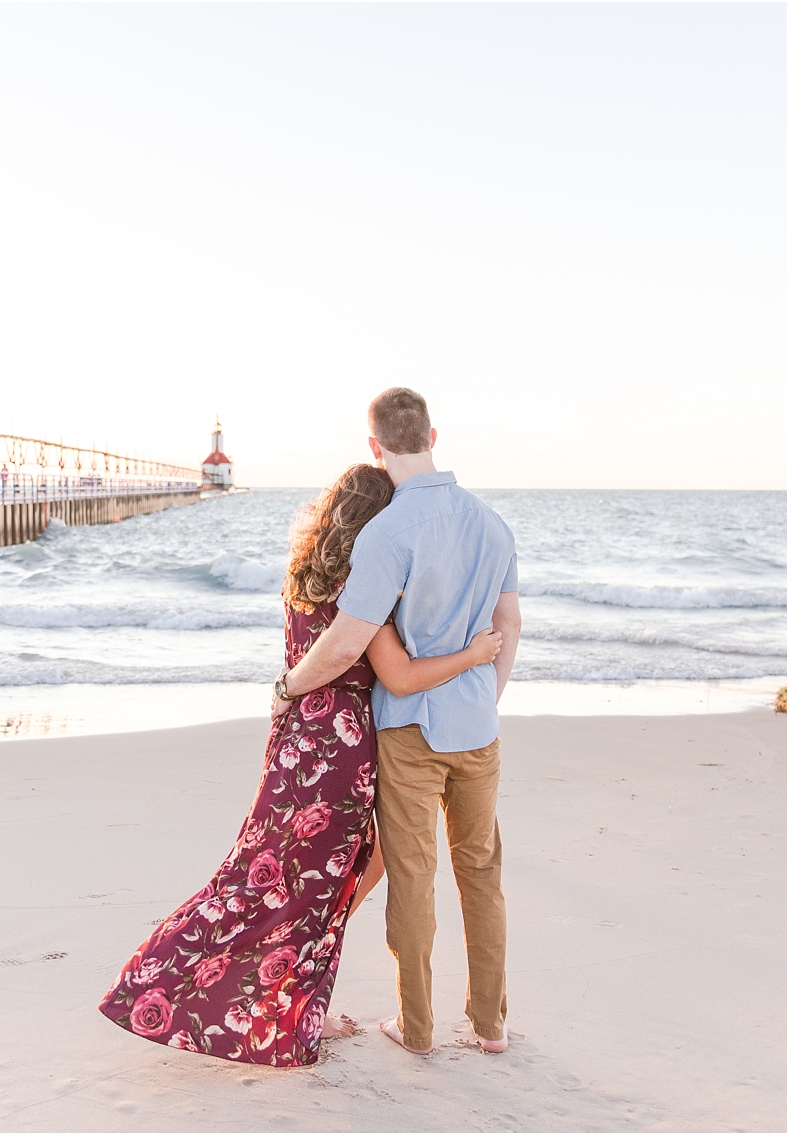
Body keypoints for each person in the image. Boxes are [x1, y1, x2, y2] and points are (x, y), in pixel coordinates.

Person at [98, 464, 503, 1067]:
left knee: (264, 875)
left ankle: (265, 998)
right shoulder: (365, 592)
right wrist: (473, 656)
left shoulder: (303, 575)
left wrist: (287, 690)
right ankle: (282, 1008)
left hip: (295, 741)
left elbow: (311, 658)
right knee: (316, 886)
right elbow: (385, 669)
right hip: (342, 748)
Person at [268, 387, 520, 1057]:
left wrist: (288, 685)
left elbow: (349, 644)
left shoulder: (387, 532)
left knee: (411, 875)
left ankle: (417, 1026)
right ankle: (491, 1026)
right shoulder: (492, 523)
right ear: (434, 432)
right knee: (481, 873)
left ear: (375, 445)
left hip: (410, 727)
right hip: (477, 726)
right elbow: (509, 624)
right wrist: (482, 696)